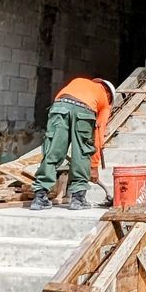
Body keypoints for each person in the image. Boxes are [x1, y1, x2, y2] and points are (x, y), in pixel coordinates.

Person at [30, 76, 117, 210]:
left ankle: (39, 198)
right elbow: (98, 136)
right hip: (84, 110)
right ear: (109, 94)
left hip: (59, 106)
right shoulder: (104, 100)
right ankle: (78, 199)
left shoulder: (78, 82)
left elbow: (64, 103)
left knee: (53, 151)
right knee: (81, 153)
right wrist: (93, 167)